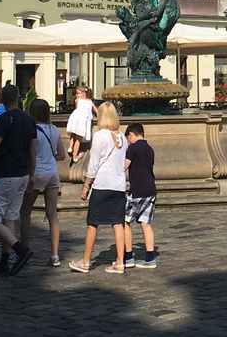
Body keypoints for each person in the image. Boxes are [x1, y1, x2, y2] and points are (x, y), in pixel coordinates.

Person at [0, 85, 37, 276]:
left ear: (2, 99)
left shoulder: (3, 119)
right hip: (22, 173)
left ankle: (20, 249)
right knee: (9, 217)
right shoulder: (29, 120)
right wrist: (31, 175)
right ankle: (4, 261)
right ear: (20, 98)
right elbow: (33, 151)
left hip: (5, 173)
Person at [71, 102, 127, 274]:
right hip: (118, 185)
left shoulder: (100, 135)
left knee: (92, 223)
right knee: (118, 224)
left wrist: (86, 185)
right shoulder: (123, 137)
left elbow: (94, 164)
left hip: (102, 184)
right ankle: (120, 262)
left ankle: (86, 261)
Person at [20, 98, 63, 267]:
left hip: (37, 174)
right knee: (52, 215)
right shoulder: (54, 129)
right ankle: (55, 255)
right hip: (52, 174)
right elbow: (61, 155)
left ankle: (24, 249)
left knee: (25, 212)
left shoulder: (32, 130)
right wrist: (50, 158)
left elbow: (29, 154)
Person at [122, 122, 158, 269]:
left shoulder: (133, 148)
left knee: (124, 221)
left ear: (131, 134)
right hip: (151, 189)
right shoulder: (150, 149)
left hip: (137, 191)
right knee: (145, 223)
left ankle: (128, 256)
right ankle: (150, 258)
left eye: (127, 137)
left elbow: (123, 166)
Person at [65, 85, 94, 164]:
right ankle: (75, 157)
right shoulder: (90, 102)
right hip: (83, 120)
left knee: (73, 133)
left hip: (74, 117)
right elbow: (95, 109)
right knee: (78, 139)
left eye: (77, 93)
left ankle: (70, 147)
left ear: (83, 94)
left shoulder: (77, 100)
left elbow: (77, 108)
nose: (76, 95)